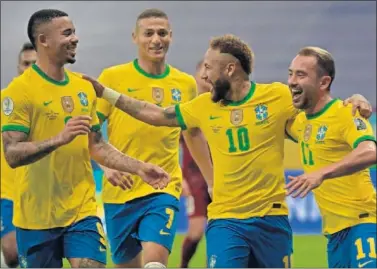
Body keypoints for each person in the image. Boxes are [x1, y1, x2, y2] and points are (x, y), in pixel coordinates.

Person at [83, 34, 372, 268]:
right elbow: (155, 114)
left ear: (230, 69)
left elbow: (318, 110)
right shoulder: (203, 106)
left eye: (209, 67)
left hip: (272, 220)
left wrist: (354, 102)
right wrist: (106, 92)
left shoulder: (276, 97)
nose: (204, 75)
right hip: (225, 218)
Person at [1, 9, 169, 268]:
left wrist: (138, 167)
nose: (75, 39)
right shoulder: (19, 92)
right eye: (67, 33)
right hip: (35, 218)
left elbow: (97, 145)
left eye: (74, 32)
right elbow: (12, 154)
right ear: (44, 40)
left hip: (82, 211)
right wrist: (59, 139)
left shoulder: (83, 87)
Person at [95, 9, 212, 268]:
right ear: (135, 37)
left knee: (156, 262)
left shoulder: (184, 84)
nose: (156, 39)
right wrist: (105, 167)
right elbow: (89, 132)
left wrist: (213, 181)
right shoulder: (112, 78)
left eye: (162, 33)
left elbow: (192, 133)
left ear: (171, 36)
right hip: (120, 192)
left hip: (162, 187)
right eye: (148, 33)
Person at [285, 47, 376, 268]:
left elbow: (370, 151)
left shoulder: (346, 112)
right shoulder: (300, 122)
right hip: (335, 233)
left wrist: (321, 173)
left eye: (301, 74)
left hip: (364, 222)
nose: (291, 81)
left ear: (323, 83)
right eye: (290, 73)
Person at [0, 42, 36, 268]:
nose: (30, 68)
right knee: (12, 252)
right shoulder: (4, 101)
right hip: (8, 193)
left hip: (42, 195)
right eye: (26, 63)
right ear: (18, 67)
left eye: (35, 64)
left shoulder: (55, 102)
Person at [180, 60, 212, 268]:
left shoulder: (222, 106)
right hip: (194, 179)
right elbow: (171, 145)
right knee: (197, 229)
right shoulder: (187, 108)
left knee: (223, 229)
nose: (207, 77)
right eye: (204, 72)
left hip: (221, 177)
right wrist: (179, 177)